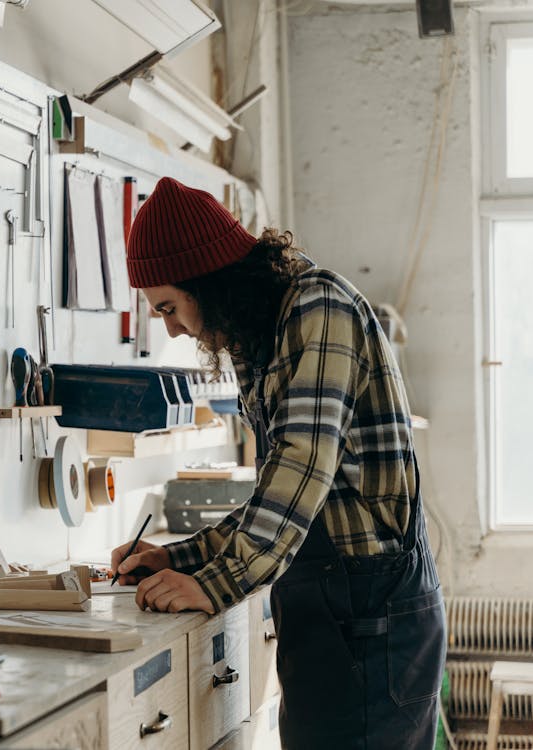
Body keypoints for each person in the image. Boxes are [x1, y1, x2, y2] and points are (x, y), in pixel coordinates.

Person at [110, 177, 445, 748]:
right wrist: (179, 557)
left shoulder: (320, 307)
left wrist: (215, 584)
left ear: (208, 282)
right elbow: (276, 496)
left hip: (373, 619)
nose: (170, 328)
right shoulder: (256, 338)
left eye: (169, 307)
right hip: (324, 611)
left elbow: (301, 466)